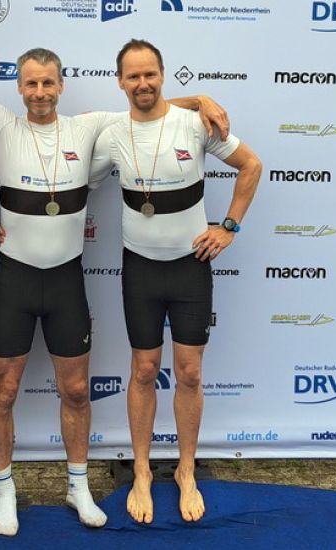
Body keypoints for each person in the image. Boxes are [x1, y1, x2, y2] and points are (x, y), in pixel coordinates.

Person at [0, 0, 230, 536]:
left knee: (76, 391)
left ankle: (78, 487)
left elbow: (150, 107)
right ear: (19, 88)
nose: (40, 92)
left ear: (61, 85)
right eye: (31, 84)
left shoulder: (91, 126)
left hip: (66, 281)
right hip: (15, 279)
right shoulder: (0, 125)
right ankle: (4, 492)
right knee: (3, 390)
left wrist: (200, 99)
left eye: (48, 83)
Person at [90, 39, 262, 524]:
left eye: (150, 74)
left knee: (189, 373)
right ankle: (142, 471)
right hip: (140, 268)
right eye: (133, 76)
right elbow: (65, 171)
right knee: (144, 371)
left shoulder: (194, 123)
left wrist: (228, 227)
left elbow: (251, 166)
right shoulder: (111, 133)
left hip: (190, 267)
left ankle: (186, 469)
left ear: (163, 75)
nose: (142, 83)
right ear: (120, 81)